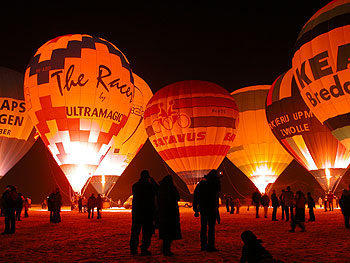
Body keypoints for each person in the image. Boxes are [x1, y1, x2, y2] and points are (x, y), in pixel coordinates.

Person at [130, 170, 158, 256]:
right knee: (147, 232)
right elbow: (157, 190)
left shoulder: (135, 186)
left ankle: (133, 249)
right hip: (147, 212)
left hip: (137, 212)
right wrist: (153, 181)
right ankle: (144, 248)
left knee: (135, 232)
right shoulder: (150, 186)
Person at [193, 169, 221, 252]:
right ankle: (211, 246)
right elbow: (218, 191)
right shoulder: (215, 185)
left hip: (203, 208)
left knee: (203, 227)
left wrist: (195, 207)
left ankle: (203, 245)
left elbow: (196, 196)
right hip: (211, 208)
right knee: (211, 228)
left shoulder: (201, 184)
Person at [157, 175, 181, 256]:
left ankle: (165, 248)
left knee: (166, 233)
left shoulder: (161, 189)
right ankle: (166, 249)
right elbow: (177, 197)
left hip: (163, 214)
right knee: (169, 233)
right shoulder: (171, 189)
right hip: (171, 214)